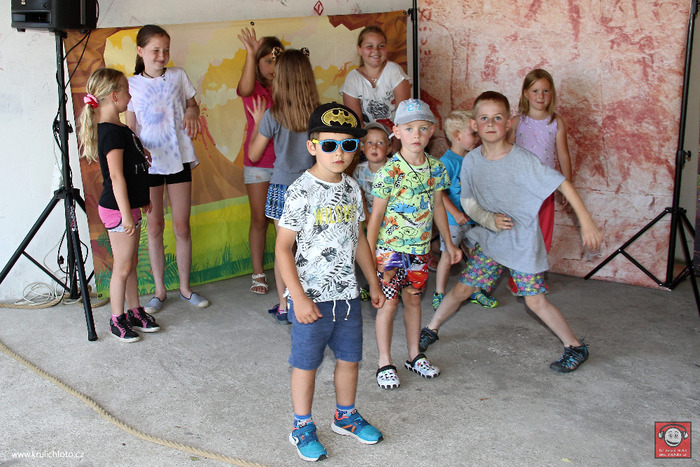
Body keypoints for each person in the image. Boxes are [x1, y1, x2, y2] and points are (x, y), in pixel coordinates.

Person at [420, 91, 602, 373]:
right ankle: (431, 329)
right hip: (491, 240)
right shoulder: (471, 161)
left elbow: (562, 183)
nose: (490, 124)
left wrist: (586, 220)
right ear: (474, 125)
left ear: (508, 124)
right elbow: (468, 201)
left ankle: (575, 347)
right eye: (484, 118)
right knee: (462, 289)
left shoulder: (523, 160)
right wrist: (488, 219)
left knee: (535, 301)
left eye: (497, 118)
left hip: (521, 242)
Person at [277, 103, 385, 461]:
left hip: (347, 295)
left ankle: (345, 416)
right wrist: (298, 297)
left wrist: (373, 283)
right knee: (306, 363)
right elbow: (282, 249)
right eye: (329, 145)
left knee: (350, 359)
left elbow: (359, 239)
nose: (339, 153)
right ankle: (302, 425)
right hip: (311, 297)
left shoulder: (353, 189)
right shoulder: (300, 190)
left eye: (348, 145)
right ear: (312, 146)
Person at [367, 98, 462, 390]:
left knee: (413, 300)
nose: (416, 135)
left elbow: (438, 207)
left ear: (432, 131)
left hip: (419, 252)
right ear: (396, 132)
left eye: (422, 128)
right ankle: (384, 361)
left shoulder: (436, 168)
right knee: (388, 304)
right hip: (390, 252)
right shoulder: (389, 171)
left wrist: (448, 244)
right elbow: (376, 216)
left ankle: (414, 355)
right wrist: (369, 255)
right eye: (408, 129)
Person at [126, 24, 209, 313]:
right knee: (155, 227)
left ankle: (185, 288)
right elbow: (131, 128)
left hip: (178, 159)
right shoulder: (131, 85)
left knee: (182, 226)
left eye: (166, 50)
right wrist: (133, 159)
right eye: (155, 50)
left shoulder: (178, 76)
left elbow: (192, 104)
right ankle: (160, 291)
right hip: (149, 166)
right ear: (140, 51)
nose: (162, 56)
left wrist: (192, 112)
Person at [78, 68, 160, 342]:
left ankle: (135, 311)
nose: (129, 96)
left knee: (131, 263)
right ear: (114, 96)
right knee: (123, 267)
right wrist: (126, 213)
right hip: (117, 209)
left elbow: (132, 167)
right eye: (126, 91)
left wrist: (141, 200)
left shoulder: (120, 129)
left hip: (129, 206)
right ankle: (117, 318)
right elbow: (115, 176)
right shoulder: (110, 133)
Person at [249, 47, 319, 323]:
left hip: (282, 188)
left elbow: (254, 155)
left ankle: (284, 304)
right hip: (313, 187)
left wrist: (258, 122)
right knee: (310, 248)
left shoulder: (273, 114)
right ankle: (311, 299)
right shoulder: (318, 115)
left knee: (284, 250)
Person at [432, 110, 498, 312]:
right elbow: (439, 193)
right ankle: (439, 293)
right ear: (457, 136)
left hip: (472, 218)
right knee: (447, 256)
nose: (477, 138)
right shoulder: (447, 162)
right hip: (452, 221)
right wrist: (455, 213)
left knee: (478, 256)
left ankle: (476, 290)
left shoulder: (472, 159)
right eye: (473, 133)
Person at [236, 27, 284, 296]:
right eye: (267, 61)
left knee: (287, 221)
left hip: (285, 164)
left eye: (277, 61)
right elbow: (243, 88)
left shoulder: (287, 88)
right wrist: (250, 53)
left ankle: (290, 272)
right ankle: (258, 273)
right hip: (258, 164)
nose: (272, 67)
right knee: (259, 219)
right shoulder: (253, 88)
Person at [509, 68, 572, 253]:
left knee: (543, 231)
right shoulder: (517, 122)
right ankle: (517, 269)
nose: (541, 96)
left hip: (545, 186)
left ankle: (538, 266)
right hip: (520, 186)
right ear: (526, 93)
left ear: (552, 93)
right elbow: (506, 154)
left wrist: (568, 184)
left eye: (545, 91)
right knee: (520, 229)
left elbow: (563, 155)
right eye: (535, 91)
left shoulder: (556, 122)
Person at [340, 25, 410, 131]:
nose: (376, 50)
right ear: (359, 50)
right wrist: (372, 140)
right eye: (369, 46)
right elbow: (356, 122)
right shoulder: (353, 79)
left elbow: (404, 116)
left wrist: (395, 141)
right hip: (366, 137)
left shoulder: (394, 71)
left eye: (381, 46)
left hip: (396, 134)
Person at [353, 121, 391, 222]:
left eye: (380, 143)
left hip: (390, 217)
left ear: (388, 149)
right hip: (368, 215)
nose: (374, 147)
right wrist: (366, 216)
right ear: (363, 148)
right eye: (369, 142)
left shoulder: (394, 169)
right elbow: (359, 195)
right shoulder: (359, 171)